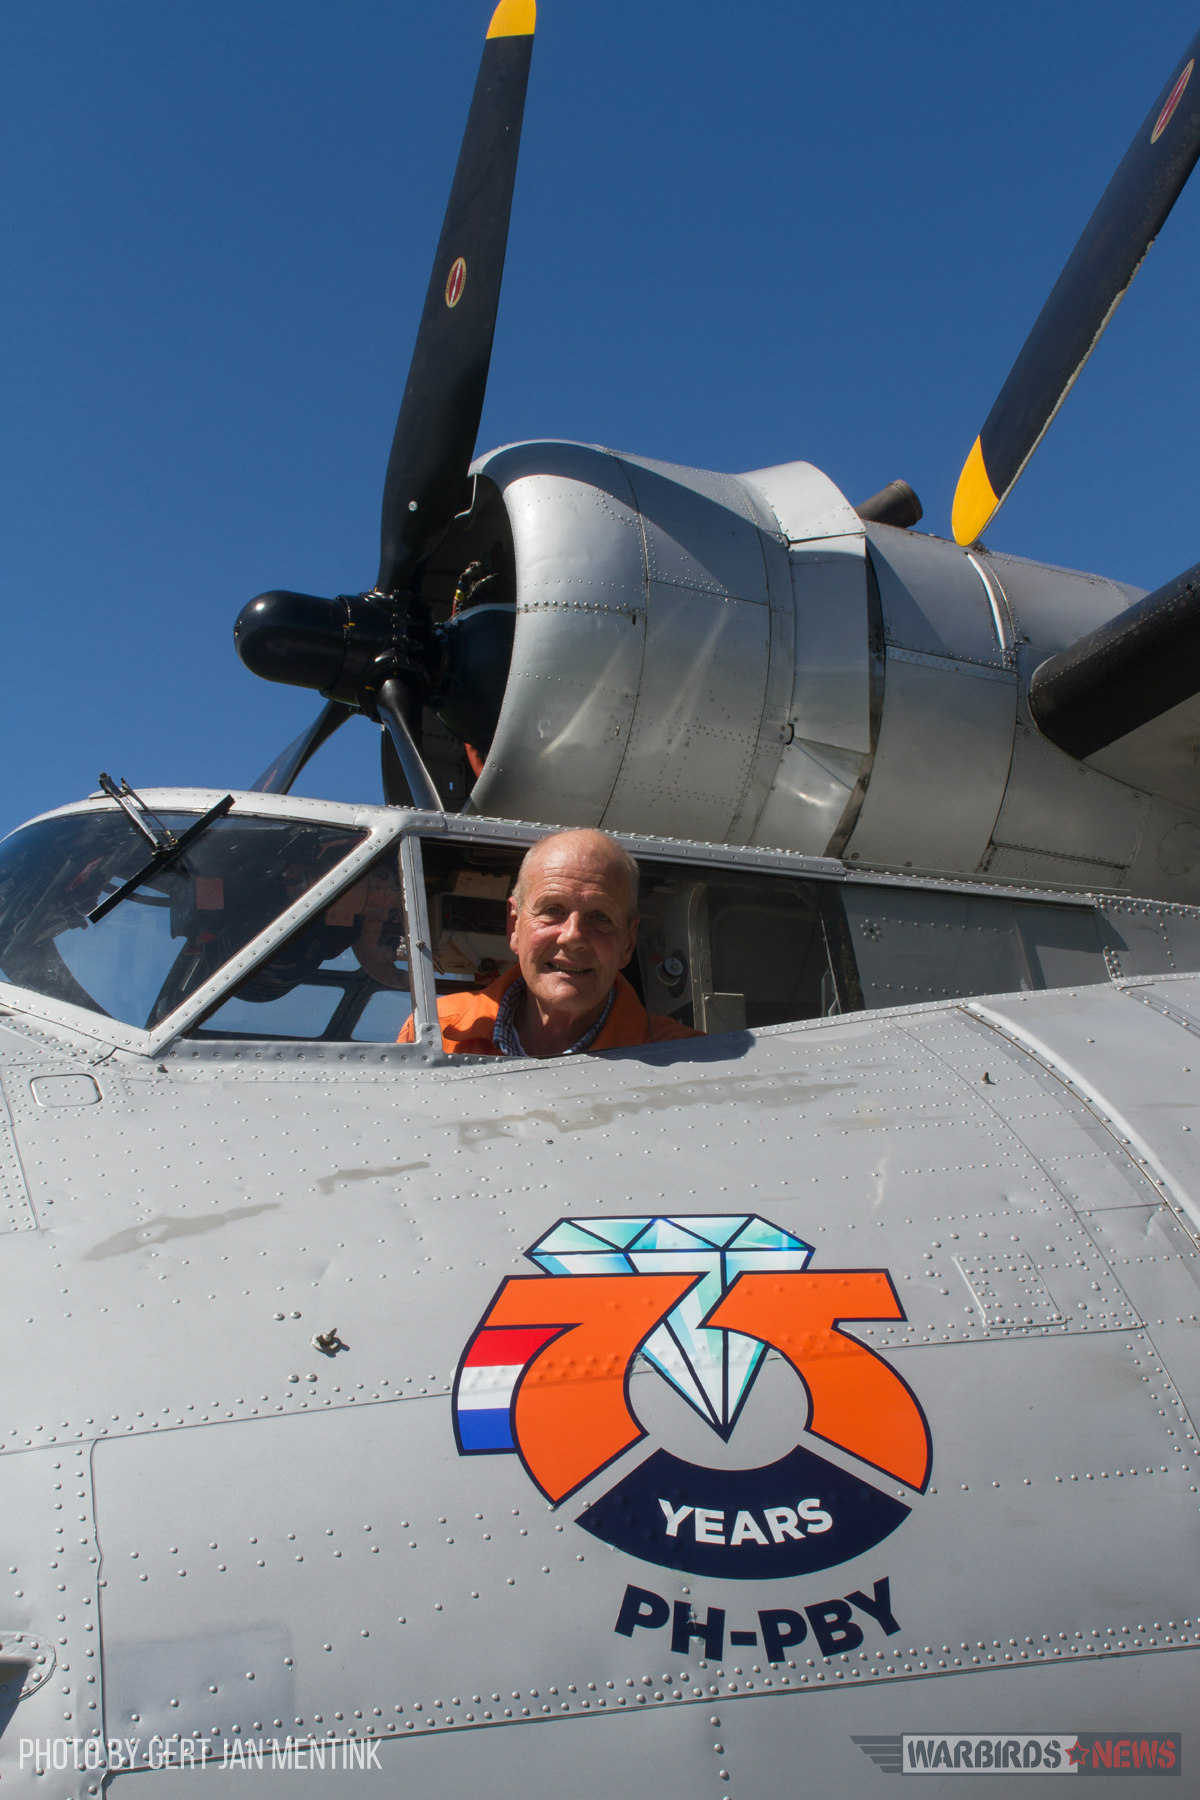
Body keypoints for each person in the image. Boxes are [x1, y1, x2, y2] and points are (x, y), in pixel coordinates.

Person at [399, 828, 700, 1057]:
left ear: (627, 942)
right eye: (552, 910)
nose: (573, 936)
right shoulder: (436, 1033)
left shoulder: (690, 1061)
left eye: (601, 917)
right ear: (513, 925)